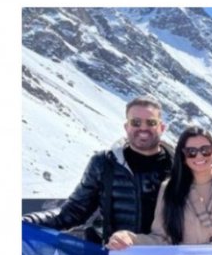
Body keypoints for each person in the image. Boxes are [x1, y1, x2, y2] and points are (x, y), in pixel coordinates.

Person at [22, 94, 173, 244]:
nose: (143, 128)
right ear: (126, 127)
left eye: (151, 122)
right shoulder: (103, 164)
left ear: (162, 127)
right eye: (136, 122)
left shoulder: (180, 166)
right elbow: (73, 212)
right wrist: (27, 222)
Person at [106, 125, 212, 249]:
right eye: (191, 152)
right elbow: (161, 238)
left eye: (205, 150)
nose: (199, 156)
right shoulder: (171, 188)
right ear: (183, 156)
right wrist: (128, 238)